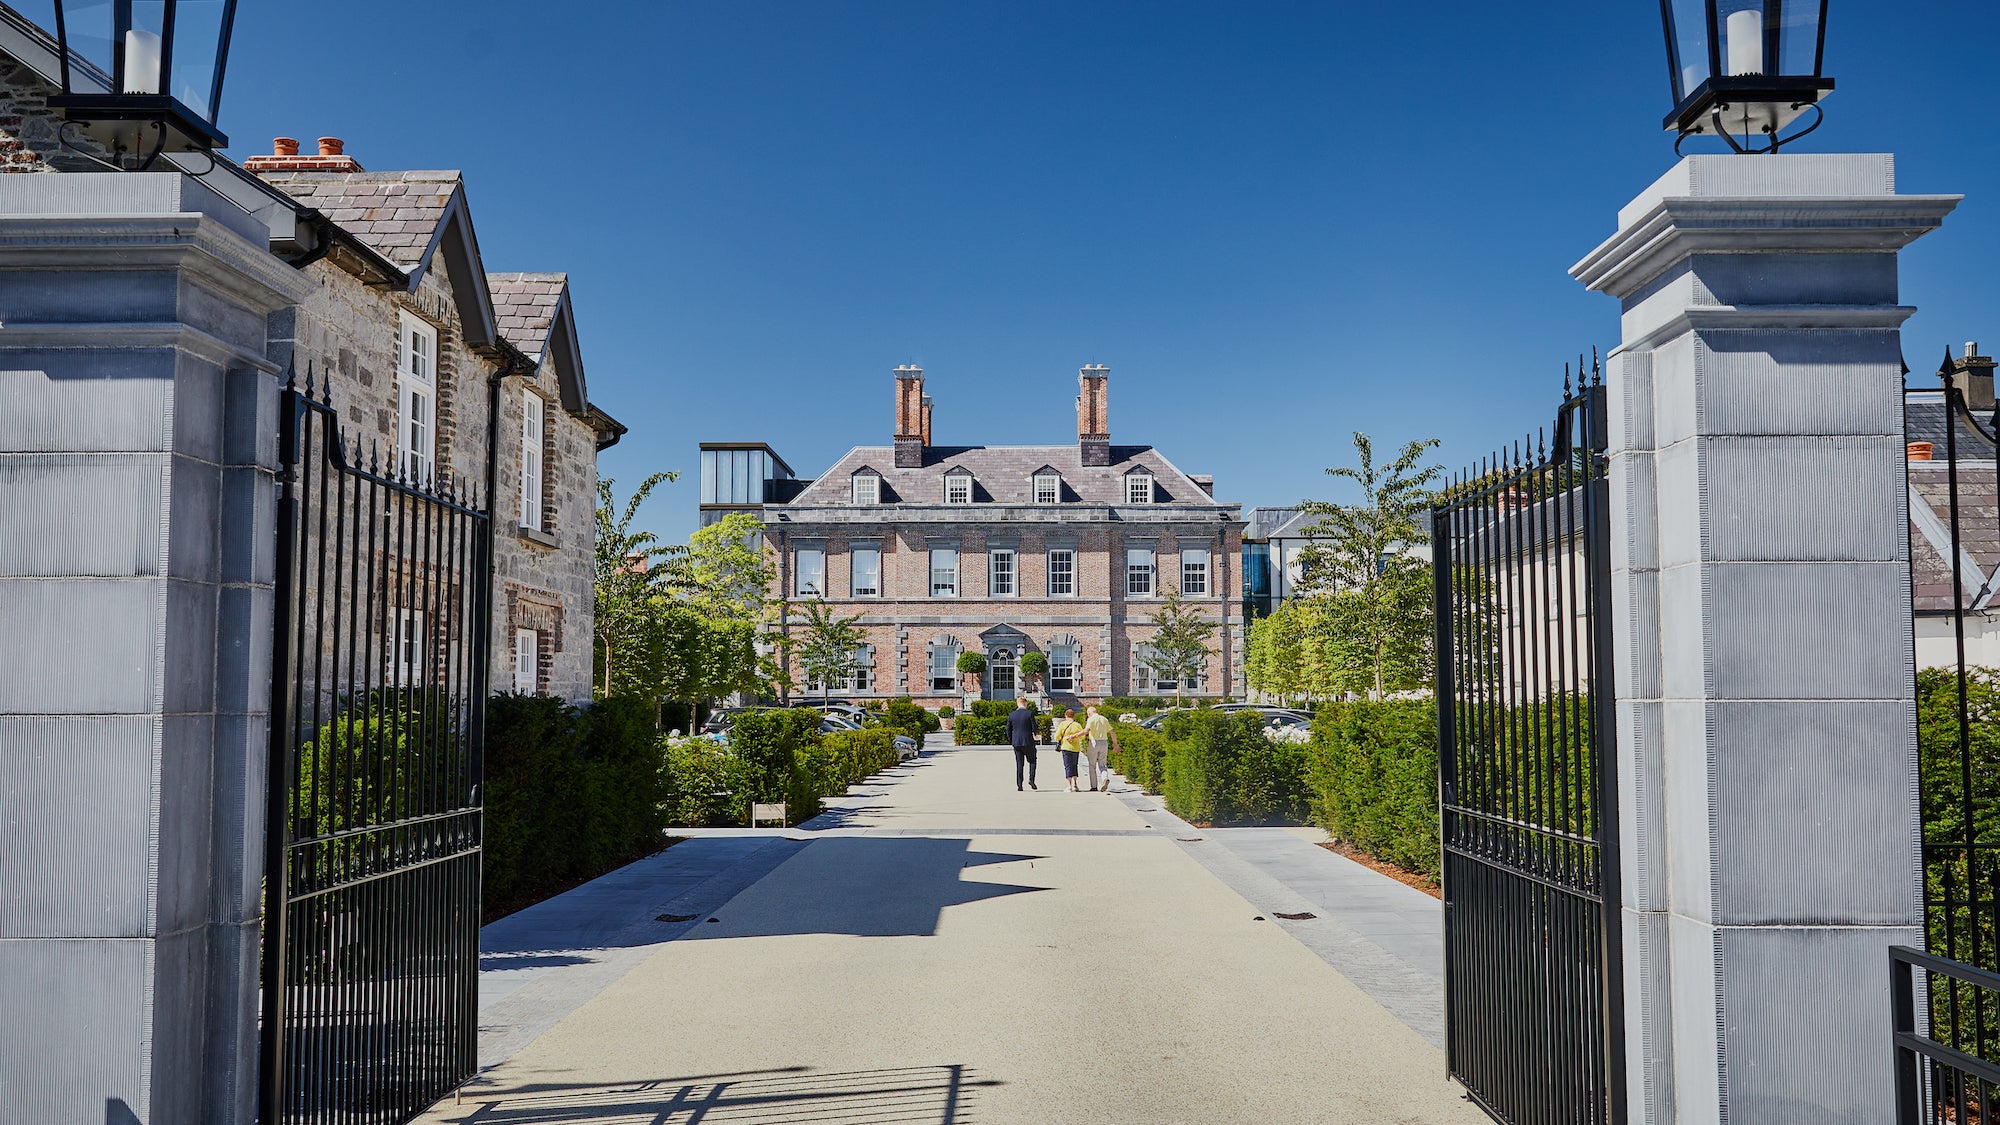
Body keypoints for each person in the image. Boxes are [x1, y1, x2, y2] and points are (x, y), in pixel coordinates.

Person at [1082, 705, 1119, 792]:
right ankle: (1104, 778)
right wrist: (1115, 744)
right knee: (1102, 765)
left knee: (1092, 765)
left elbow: (1086, 730)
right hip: (1104, 743)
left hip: (1094, 742)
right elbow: (1112, 732)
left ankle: (1094, 786)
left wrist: (1075, 736)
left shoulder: (1091, 719)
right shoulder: (1104, 719)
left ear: (1089, 713)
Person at [1007, 697, 1039, 791]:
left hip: (1016, 742)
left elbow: (1008, 729)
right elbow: (1034, 727)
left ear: (1017, 703)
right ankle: (1031, 779)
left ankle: (1019, 785)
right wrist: (1035, 733)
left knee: (1019, 764)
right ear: (1025, 703)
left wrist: (1012, 740)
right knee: (1032, 761)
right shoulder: (1029, 713)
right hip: (1028, 741)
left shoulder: (1012, 715)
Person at [1052, 707, 1087, 791]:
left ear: (1066, 715)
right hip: (1075, 748)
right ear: (1073, 716)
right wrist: (1075, 738)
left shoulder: (1063, 724)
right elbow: (1082, 736)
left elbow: (1056, 737)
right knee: (1074, 765)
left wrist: (1063, 738)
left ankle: (1069, 785)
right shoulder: (1077, 725)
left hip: (1066, 747)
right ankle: (1075, 784)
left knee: (1067, 766)